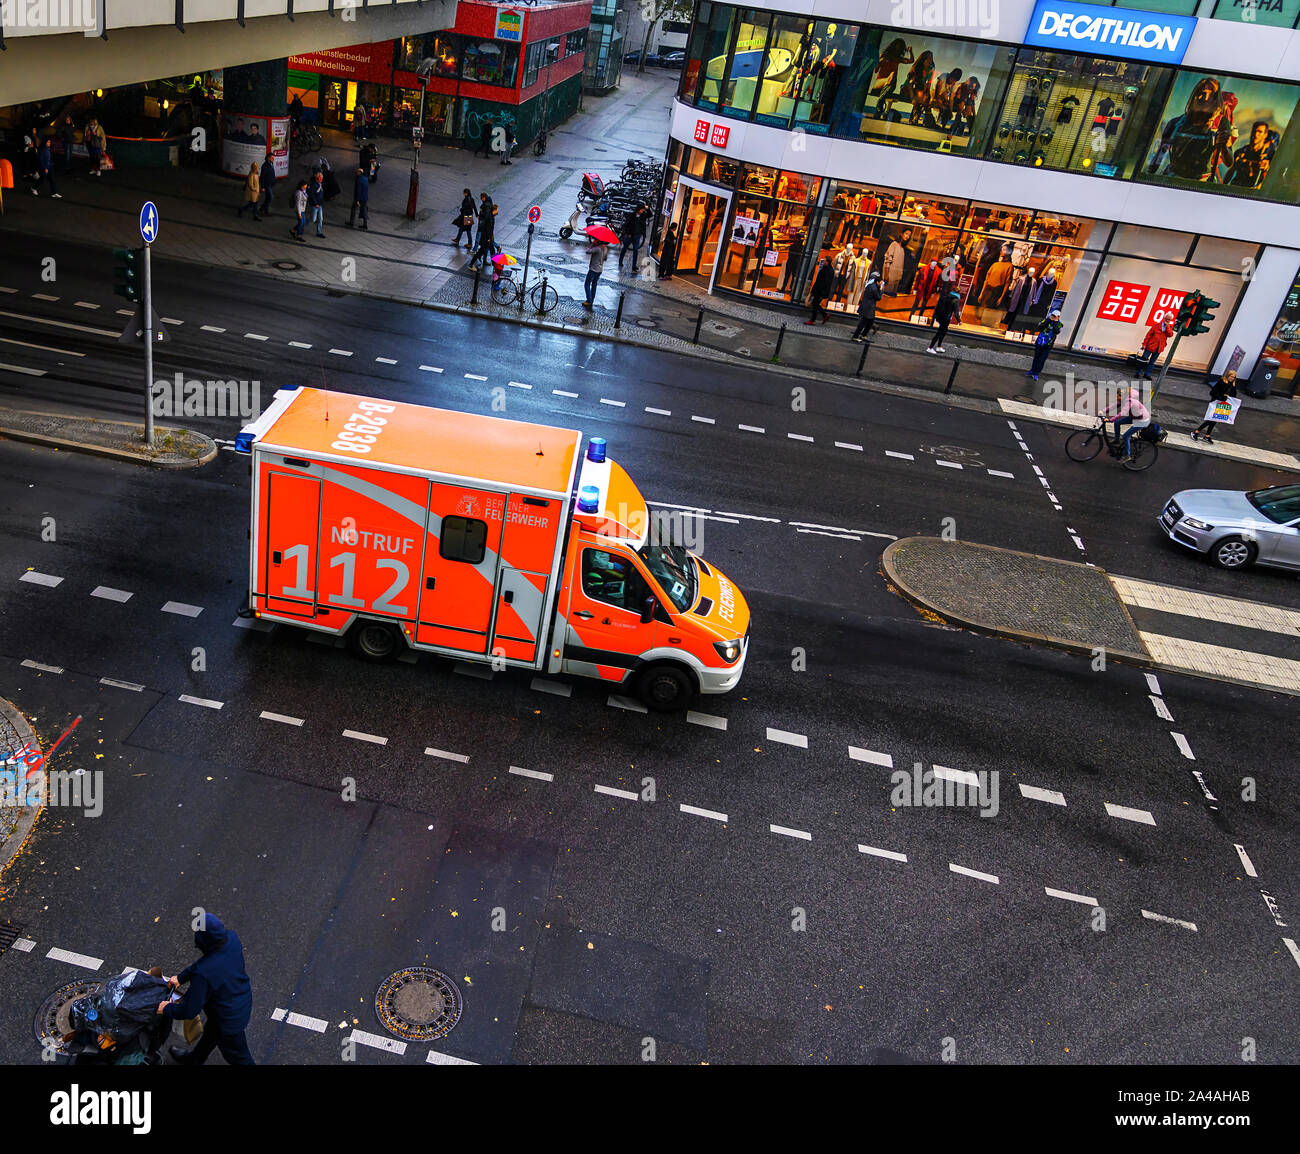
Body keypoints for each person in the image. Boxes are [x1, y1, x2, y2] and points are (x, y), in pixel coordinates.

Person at [157, 913, 254, 1066]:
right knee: (212, 1033)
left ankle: (195, 1059)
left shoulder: (204, 975)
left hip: (228, 1020)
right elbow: (206, 962)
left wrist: (166, 1008)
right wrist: (181, 977)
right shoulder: (231, 940)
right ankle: (195, 1059)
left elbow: (189, 1010)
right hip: (236, 1002)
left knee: (240, 1058)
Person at [1102, 384, 1151, 460]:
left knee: (1125, 436)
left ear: (1122, 396)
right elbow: (1114, 405)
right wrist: (1103, 411)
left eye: (1118, 396)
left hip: (1142, 420)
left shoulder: (1129, 401)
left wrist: (1111, 419)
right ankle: (1117, 440)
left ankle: (1127, 455)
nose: (1117, 398)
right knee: (1117, 423)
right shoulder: (1123, 398)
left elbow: (1123, 413)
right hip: (1135, 416)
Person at [1193, 369, 1238, 443]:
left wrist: (1230, 398)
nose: (1232, 378)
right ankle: (1196, 432)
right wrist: (1222, 397)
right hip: (1216, 402)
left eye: (1234, 377)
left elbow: (1233, 395)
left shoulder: (1233, 385)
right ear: (1227, 376)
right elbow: (1212, 392)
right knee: (1211, 419)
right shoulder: (1221, 382)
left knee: (1215, 419)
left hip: (1224, 404)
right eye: (1231, 376)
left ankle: (1206, 435)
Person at [1026, 309, 1063, 380]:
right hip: (1040, 342)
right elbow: (1040, 327)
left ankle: (1036, 373)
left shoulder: (1059, 324)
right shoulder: (1046, 320)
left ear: (1058, 317)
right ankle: (1032, 371)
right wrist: (1048, 320)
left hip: (1048, 345)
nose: (1053, 317)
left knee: (1042, 360)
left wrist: (1055, 322)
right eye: (1052, 315)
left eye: (1055, 316)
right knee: (1036, 358)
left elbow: (1056, 331)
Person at [926, 286, 961, 352]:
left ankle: (939, 346)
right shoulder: (956, 300)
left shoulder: (947, 295)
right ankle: (930, 348)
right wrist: (959, 321)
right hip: (946, 318)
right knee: (940, 332)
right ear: (959, 292)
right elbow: (956, 312)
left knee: (944, 332)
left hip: (940, 316)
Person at [851, 270, 882, 341]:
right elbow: (878, 297)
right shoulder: (874, 289)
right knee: (863, 323)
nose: (881, 284)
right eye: (880, 282)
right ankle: (855, 336)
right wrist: (880, 290)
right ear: (877, 282)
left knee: (870, 322)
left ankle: (863, 335)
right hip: (869, 308)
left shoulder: (870, 285)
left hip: (867, 306)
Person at [618, 203, 649, 272]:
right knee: (625, 248)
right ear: (638, 209)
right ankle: (620, 261)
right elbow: (627, 224)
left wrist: (647, 208)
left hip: (637, 235)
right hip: (630, 235)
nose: (642, 211)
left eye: (643, 210)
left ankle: (634, 266)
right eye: (642, 209)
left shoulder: (643, 216)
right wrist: (628, 233)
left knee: (636, 250)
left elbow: (650, 215)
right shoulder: (632, 215)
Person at [804, 256, 833, 324]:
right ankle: (825, 315)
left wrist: (821, 293)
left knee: (815, 304)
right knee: (815, 304)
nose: (823, 262)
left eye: (824, 261)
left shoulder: (828, 271)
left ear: (827, 262)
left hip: (820, 291)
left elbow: (825, 283)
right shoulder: (826, 269)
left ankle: (813, 320)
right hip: (818, 290)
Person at [470, 194, 495, 269]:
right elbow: (489, 227)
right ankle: (472, 262)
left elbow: (489, 228)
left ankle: (494, 265)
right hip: (486, 236)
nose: (481, 200)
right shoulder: (489, 214)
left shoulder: (486, 207)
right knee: (485, 250)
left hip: (486, 235)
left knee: (490, 250)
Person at [584, 238, 609, 308]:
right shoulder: (605, 248)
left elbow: (587, 251)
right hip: (600, 270)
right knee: (594, 285)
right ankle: (591, 300)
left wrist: (592, 244)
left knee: (587, 284)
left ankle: (589, 300)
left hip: (593, 269)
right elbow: (606, 258)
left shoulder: (597, 248)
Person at [307, 170, 326, 237]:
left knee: (321, 219)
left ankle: (319, 232)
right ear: (317, 178)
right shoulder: (314, 185)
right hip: (315, 205)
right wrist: (315, 203)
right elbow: (312, 195)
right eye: (321, 178)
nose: (322, 179)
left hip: (319, 204)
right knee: (313, 219)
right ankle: (302, 225)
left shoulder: (320, 184)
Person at [258, 152, 276, 217]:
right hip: (267, 185)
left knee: (267, 198)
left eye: (274, 158)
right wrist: (262, 187)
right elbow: (262, 177)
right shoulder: (265, 166)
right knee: (270, 198)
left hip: (270, 184)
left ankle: (266, 211)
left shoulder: (271, 164)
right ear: (268, 158)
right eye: (272, 158)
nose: (273, 159)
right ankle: (261, 209)